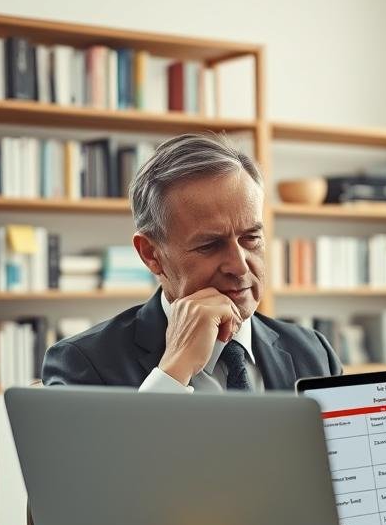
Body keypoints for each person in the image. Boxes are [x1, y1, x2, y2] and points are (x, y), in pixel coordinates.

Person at [41, 133, 342, 391]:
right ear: (151, 254)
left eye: (251, 238)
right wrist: (172, 372)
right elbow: (99, 462)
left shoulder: (313, 351)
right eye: (210, 245)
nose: (239, 266)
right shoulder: (82, 364)